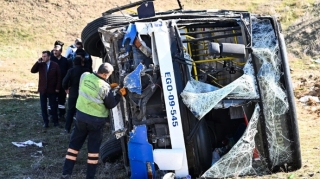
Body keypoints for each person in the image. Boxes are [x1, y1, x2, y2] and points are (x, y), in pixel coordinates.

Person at [61, 63, 126, 179]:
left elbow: (93, 89)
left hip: (80, 117)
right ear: (106, 74)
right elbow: (111, 104)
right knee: (93, 151)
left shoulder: (85, 76)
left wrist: (109, 88)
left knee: (74, 146)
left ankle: (66, 173)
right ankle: (90, 176)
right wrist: (119, 94)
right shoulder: (105, 87)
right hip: (95, 122)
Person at [31, 51, 61, 128]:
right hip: (43, 89)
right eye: (42, 56)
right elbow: (33, 70)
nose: (43, 58)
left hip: (52, 89)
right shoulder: (41, 65)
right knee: (43, 106)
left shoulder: (55, 65)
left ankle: (55, 122)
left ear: (49, 57)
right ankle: (46, 122)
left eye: (45, 56)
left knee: (53, 106)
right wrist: (37, 62)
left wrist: (57, 88)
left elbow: (59, 77)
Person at [62, 57, 90, 133]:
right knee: (83, 111)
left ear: (73, 62)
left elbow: (64, 81)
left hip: (73, 93)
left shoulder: (71, 71)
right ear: (82, 62)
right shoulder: (86, 71)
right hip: (84, 94)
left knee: (70, 111)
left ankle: (67, 128)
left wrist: (66, 88)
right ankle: (83, 129)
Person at [51, 45, 72, 121]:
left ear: (60, 51)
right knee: (52, 100)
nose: (54, 52)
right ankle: (52, 114)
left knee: (61, 100)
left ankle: (62, 115)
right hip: (53, 84)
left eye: (56, 50)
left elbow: (68, 73)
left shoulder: (65, 61)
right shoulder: (51, 60)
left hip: (62, 84)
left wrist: (67, 85)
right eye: (54, 50)